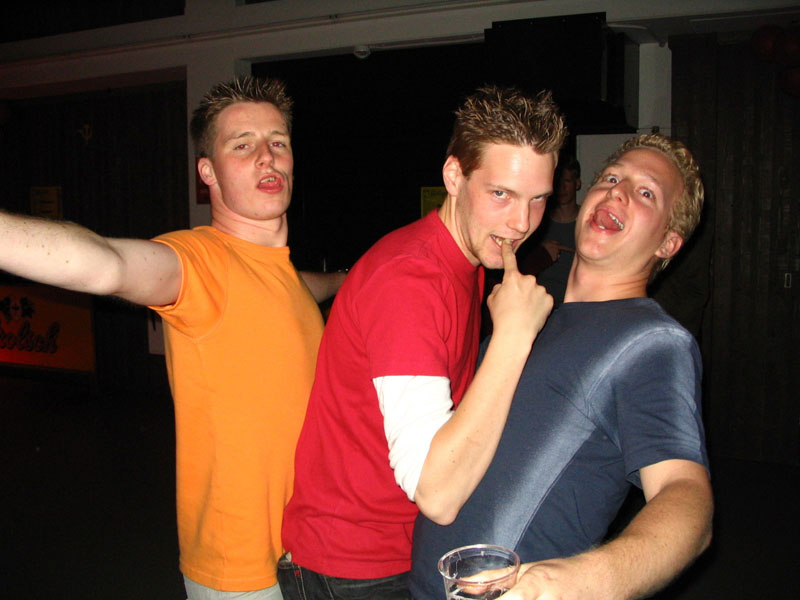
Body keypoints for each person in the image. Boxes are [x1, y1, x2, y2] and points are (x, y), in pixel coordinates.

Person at [0, 76, 344, 600]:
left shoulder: (279, 271)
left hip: (305, 552)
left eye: (278, 142)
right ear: (208, 172)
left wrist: (351, 279)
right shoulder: (200, 262)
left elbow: (303, 285)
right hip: (242, 571)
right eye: (242, 145)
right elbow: (104, 264)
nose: (266, 157)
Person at [279, 85, 567, 600]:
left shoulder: (467, 259)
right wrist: (514, 336)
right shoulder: (409, 282)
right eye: (501, 194)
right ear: (454, 176)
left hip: (398, 546)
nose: (522, 223)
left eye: (538, 198)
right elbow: (437, 492)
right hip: (352, 566)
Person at [410, 133, 713, 600]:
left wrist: (568, 581)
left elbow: (685, 496)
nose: (617, 191)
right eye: (610, 178)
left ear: (668, 243)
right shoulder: (533, 319)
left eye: (645, 192)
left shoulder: (652, 342)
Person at [519, 157, 581, 305]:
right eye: (557, 182)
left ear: (577, 183)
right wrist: (542, 254)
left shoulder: (590, 221)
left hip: (577, 306)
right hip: (541, 307)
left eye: (567, 181)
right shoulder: (536, 222)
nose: (562, 187)